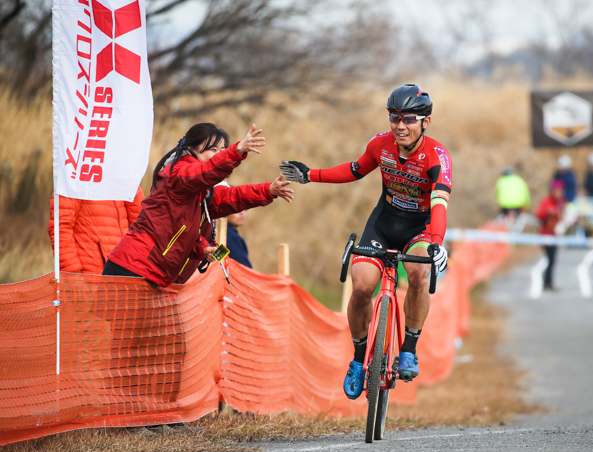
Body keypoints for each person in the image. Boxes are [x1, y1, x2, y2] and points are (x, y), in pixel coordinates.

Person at [279, 84, 451, 399]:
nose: (400, 126)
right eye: (394, 117)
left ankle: (409, 349)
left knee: (418, 274)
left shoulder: (436, 156)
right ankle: (359, 360)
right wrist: (310, 175)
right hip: (383, 225)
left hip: (420, 229)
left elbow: (440, 204)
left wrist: (437, 242)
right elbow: (354, 170)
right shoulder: (380, 145)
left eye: (409, 119)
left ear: (426, 122)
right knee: (360, 288)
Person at [104, 122, 292, 285]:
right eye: (213, 150)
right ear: (191, 149)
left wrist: (268, 190)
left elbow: (227, 198)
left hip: (153, 274)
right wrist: (236, 152)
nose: (218, 155)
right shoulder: (178, 173)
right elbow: (206, 171)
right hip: (133, 268)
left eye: (222, 150)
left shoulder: (201, 191)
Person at [48, 188, 145, 274]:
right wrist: (72, 276)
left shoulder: (123, 174)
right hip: (91, 275)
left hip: (123, 273)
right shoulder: (74, 175)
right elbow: (61, 227)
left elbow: (141, 227)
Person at [535, 179, 565, 291]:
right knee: (550, 259)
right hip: (546, 234)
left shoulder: (560, 203)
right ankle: (547, 282)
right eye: (557, 191)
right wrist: (548, 212)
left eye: (560, 191)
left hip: (555, 235)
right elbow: (539, 215)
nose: (559, 193)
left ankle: (548, 282)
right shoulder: (546, 202)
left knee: (553, 260)